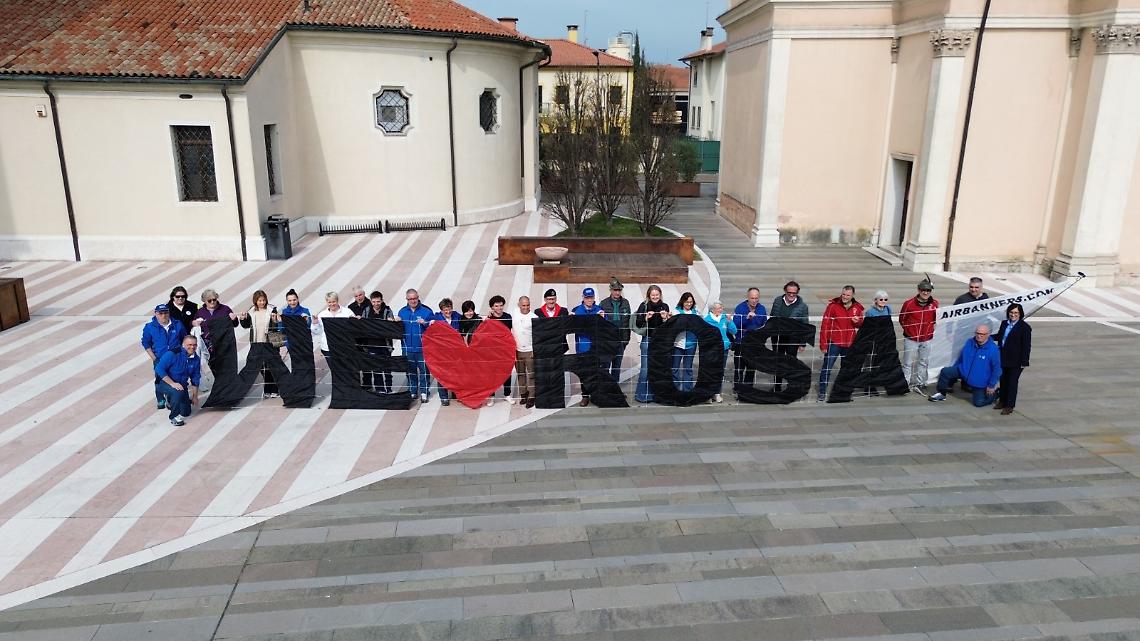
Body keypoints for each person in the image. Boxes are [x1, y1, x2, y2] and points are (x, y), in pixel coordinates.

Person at [929, 323, 1001, 407]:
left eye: (982, 334)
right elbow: (961, 357)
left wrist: (991, 385)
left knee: (978, 403)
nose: (979, 336)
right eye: (977, 333)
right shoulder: (970, 342)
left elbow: (997, 369)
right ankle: (941, 393)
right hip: (963, 371)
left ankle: (995, 394)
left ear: (988, 335)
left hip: (979, 381)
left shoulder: (993, 350)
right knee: (945, 371)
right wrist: (955, 368)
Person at [817, 285, 865, 402]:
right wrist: (823, 344)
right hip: (834, 343)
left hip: (849, 344)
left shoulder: (857, 308)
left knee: (847, 370)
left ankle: (843, 392)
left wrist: (858, 321)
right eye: (843, 294)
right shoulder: (832, 306)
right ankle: (822, 392)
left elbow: (860, 324)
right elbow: (825, 325)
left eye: (848, 295)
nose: (845, 297)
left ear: (852, 295)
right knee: (826, 368)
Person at [141, 303, 186, 409]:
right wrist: (154, 358)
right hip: (159, 358)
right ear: (156, 314)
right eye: (160, 313)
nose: (163, 315)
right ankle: (160, 398)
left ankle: (171, 399)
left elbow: (184, 338)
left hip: (175, 358)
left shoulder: (177, 324)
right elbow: (146, 343)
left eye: (165, 313)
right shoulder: (150, 327)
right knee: (159, 378)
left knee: (174, 377)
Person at [899, 277, 939, 393]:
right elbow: (902, 318)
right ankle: (905, 383)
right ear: (918, 290)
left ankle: (920, 383)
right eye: (923, 290)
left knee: (923, 362)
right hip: (911, 338)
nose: (925, 293)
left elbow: (937, 319)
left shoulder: (935, 304)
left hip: (927, 338)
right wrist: (909, 331)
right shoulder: (909, 303)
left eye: (928, 291)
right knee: (907, 363)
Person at [239, 289, 281, 398]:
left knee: (271, 366)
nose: (262, 303)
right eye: (259, 301)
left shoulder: (272, 310)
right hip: (256, 343)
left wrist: (275, 320)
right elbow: (246, 325)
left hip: (269, 343)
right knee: (261, 367)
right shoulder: (252, 311)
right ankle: (268, 389)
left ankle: (274, 389)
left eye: (263, 300)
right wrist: (242, 319)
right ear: (255, 301)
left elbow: (276, 327)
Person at [769, 281, 809, 392]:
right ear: (785, 291)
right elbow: (772, 316)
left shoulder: (802, 306)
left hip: (793, 338)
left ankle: (792, 386)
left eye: (794, 293)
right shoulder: (777, 301)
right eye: (789, 292)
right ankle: (777, 386)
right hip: (777, 337)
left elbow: (805, 324)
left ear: (797, 292)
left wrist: (802, 343)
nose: (791, 295)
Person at [155, 334, 201, 427]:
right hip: (163, 383)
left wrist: (195, 396)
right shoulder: (172, 354)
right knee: (177, 392)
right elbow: (159, 369)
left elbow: (195, 377)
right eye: (189, 344)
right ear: (183, 344)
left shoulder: (196, 359)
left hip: (181, 385)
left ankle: (171, 401)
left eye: (194, 345)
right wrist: (172, 383)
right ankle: (173, 417)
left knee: (186, 412)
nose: (192, 347)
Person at [634, 285, 670, 403]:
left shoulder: (664, 306)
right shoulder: (644, 306)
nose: (655, 297)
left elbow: (668, 327)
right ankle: (641, 394)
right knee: (645, 369)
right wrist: (646, 318)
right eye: (653, 295)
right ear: (649, 296)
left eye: (657, 295)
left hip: (660, 342)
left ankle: (653, 394)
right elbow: (638, 323)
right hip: (648, 340)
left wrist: (665, 319)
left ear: (660, 295)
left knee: (657, 368)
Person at [994, 302, 1032, 415]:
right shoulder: (1004, 323)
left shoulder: (1024, 327)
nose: (1013, 315)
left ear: (1020, 314)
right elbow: (999, 336)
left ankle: (1009, 405)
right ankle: (1002, 401)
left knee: (1012, 382)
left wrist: (1024, 361)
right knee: (1003, 380)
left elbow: (1026, 346)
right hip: (1003, 357)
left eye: (1016, 313)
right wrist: (986, 336)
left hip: (1016, 360)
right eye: (1011, 312)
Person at [398, 289, 435, 403]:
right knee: (410, 371)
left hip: (422, 348)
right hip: (407, 348)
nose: (413, 301)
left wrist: (425, 323)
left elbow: (433, 329)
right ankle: (413, 391)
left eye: (415, 298)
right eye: (410, 299)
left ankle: (424, 392)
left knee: (424, 371)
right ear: (407, 300)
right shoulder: (402, 312)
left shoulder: (427, 311)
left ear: (418, 297)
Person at [572, 287, 606, 407]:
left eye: (591, 297)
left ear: (594, 297)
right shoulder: (578, 311)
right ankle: (585, 395)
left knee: (596, 371)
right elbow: (579, 328)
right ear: (583, 298)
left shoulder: (599, 310)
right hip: (583, 346)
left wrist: (602, 319)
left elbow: (605, 327)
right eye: (587, 298)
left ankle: (596, 394)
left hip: (596, 346)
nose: (589, 300)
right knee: (584, 373)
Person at [191, 289, 238, 368]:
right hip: (208, 344)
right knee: (212, 366)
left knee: (225, 366)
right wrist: (193, 323)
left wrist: (234, 319)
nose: (212, 302)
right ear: (204, 301)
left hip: (223, 343)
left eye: (214, 299)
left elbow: (235, 324)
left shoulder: (225, 309)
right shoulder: (200, 312)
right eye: (209, 300)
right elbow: (193, 324)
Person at [732, 287, 768, 391]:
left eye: (757, 298)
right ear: (747, 297)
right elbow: (735, 326)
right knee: (739, 368)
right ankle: (738, 388)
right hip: (741, 343)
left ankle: (748, 389)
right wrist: (746, 319)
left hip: (754, 344)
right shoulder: (740, 308)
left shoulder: (761, 309)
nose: (754, 300)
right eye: (752, 298)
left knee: (751, 368)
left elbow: (764, 325)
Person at [360, 290, 395, 393]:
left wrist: (392, 322)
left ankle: (388, 389)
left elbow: (392, 327)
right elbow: (362, 326)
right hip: (371, 345)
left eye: (378, 301)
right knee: (376, 369)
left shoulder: (387, 311)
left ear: (382, 300)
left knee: (387, 369)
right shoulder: (366, 311)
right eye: (374, 302)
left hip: (385, 345)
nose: (376, 304)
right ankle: (379, 389)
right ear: (371, 301)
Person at [598, 277, 632, 383]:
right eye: (615, 290)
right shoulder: (603, 303)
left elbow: (628, 323)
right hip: (608, 342)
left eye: (619, 290)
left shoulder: (626, 303)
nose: (617, 292)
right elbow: (599, 324)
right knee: (605, 367)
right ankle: (606, 391)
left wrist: (626, 340)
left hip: (620, 340)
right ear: (611, 290)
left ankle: (615, 391)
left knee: (616, 368)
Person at [703, 301, 737, 403]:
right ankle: (709, 393)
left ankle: (717, 392)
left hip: (724, 348)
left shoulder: (724, 318)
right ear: (712, 310)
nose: (720, 310)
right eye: (718, 308)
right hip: (712, 349)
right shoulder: (707, 320)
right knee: (710, 370)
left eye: (721, 307)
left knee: (720, 370)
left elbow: (734, 331)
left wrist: (730, 321)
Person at [429, 298, 460, 406]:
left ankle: (455, 393)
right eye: (445, 310)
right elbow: (426, 323)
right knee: (442, 374)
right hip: (441, 353)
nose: (447, 312)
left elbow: (469, 318)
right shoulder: (437, 317)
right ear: (441, 310)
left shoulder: (456, 316)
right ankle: (444, 396)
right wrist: (429, 323)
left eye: (449, 309)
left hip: (455, 352)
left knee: (455, 374)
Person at [486, 295, 514, 403]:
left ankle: (507, 394)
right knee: (492, 374)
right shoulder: (489, 319)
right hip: (492, 351)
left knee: (507, 372)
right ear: (492, 307)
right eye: (496, 306)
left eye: (501, 306)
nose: (499, 308)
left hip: (505, 350)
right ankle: (491, 396)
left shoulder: (508, 317)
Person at [672, 292, 699, 392]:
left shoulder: (696, 311)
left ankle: (687, 389)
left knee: (688, 368)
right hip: (678, 343)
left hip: (691, 344)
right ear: (682, 301)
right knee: (675, 367)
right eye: (687, 302)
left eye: (691, 302)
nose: (689, 304)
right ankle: (676, 388)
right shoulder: (676, 312)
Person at [312, 291, 354, 357]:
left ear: (337, 301)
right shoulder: (322, 314)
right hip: (327, 348)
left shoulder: (347, 312)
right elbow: (317, 332)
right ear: (327, 302)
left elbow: (353, 329)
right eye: (329, 302)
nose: (332, 304)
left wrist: (354, 321)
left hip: (344, 347)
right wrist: (315, 323)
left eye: (334, 301)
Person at [513, 296, 536, 408]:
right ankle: (523, 394)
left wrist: (534, 350)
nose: (526, 307)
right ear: (519, 305)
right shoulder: (514, 315)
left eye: (528, 305)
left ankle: (532, 397)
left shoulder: (534, 317)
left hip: (530, 351)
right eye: (523, 305)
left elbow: (537, 335)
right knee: (520, 374)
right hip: (517, 350)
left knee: (531, 375)